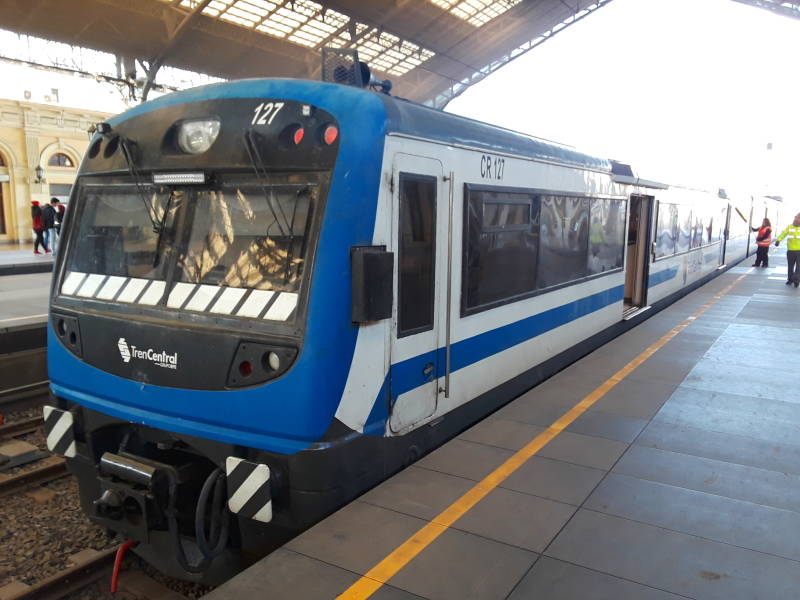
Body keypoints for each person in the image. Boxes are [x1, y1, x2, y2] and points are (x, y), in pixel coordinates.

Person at [775, 213, 800, 287]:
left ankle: (796, 280)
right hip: (790, 251)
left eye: (798, 218)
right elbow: (783, 234)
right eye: (796, 218)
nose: (796, 219)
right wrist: (778, 240)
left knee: (799, 267)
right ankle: (790, 280)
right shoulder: (789, 227)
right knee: (790, 266)